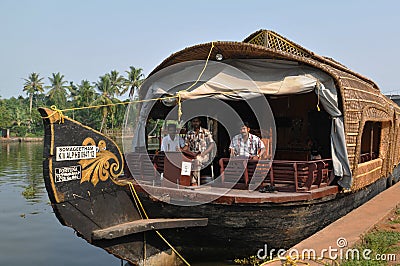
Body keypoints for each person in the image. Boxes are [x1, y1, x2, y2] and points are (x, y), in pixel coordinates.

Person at [183, 117, 215, 186]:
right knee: (184, 161)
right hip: (192, 155)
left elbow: (212, 144)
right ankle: (184, 181)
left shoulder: (205, 132)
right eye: (193, 121)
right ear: (191, 123)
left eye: (196, 121)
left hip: (203, 155)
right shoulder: (189, 133)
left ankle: (194, 182)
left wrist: (204, 153)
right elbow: (186, 146)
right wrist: (181, 151)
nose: (195, 123)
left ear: (199, 122)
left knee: (196, 160)